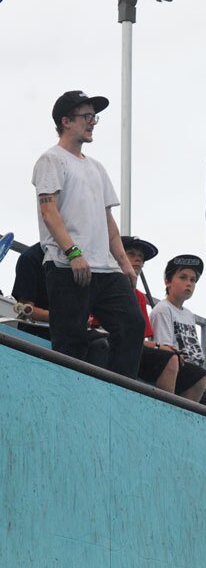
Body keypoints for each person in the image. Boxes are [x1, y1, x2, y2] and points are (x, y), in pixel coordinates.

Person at [32, 90, 145, 376]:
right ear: (66, 121)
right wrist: (73, 252)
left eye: (94, 117)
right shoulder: (51, 159)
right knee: (70, 343)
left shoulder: (97, 167)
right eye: (86, 116)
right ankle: (70, 402)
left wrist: (123, 264)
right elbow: (49, 211)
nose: (92, 122)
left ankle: (121, 392)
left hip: (104, 269)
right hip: (66, 265)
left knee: (132, 324)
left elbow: (108, 220)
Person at [150, 255, 206, 415]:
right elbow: (164, 348)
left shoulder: (189, 315)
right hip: (183, 376)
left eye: (193, 279)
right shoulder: (163, 310)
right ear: (167, 281)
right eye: (183, 277)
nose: (189, 283)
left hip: (200, 377)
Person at [121, 235, 206, 399]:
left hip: (141, 352)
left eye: (142, 257)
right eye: (131, 253)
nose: (138, 259)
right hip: (116, 350)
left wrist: (157, 346)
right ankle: (168, 414)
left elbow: (141, 339)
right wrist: (160, 347)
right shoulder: (162, 310)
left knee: (205, 381)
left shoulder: (138, 297)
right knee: (172, 359)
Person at [11, 241, 109, 365]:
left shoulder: (81, 261)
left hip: (73, 331)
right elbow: (26, 310)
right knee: (99, 346)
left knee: (112, 344)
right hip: (40, 330)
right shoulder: (30, 258)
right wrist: (69, 319)